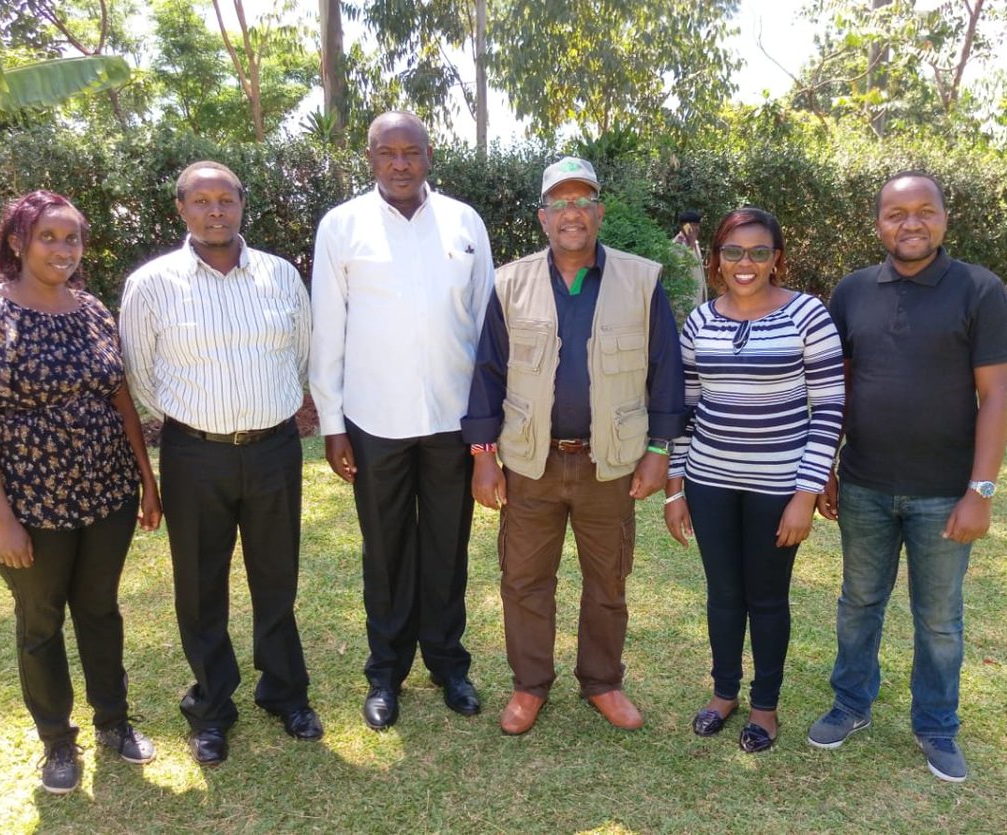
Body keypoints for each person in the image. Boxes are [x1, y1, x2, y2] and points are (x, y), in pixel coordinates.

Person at [0, 191, 161, 794]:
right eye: (49, 238)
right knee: (40, 620)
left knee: (100, 609)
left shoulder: (90, 310)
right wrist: (1, 519)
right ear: (18, 242)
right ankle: (58, 742)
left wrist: (145, 480)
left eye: (72, 239)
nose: (63, 250)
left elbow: (121, 401)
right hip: (29, 503)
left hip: (106, 493)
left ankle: (114, 722)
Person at [463, 157, 686, 735]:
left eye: (582, 200)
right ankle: (529, 685)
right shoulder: (510, 284)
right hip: (530, 462)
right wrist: (484, 457)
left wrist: (660, 449)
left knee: (607, 579)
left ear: (599, 213)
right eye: (559, 202)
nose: (571, 213)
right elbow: (487, 371)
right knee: (523, 580)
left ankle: (603, 682)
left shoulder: (641, 280)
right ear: (543, 217)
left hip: (608, 462)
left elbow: (665, 370)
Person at [807, 171, 1007, 783]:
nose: (911, 223)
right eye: (896, 214)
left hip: (944, 493)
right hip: (866, 483)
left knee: (939, 620)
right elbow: (837, 386)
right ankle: (850, 704)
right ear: (879, 224)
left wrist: (981, 491)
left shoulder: (979, 291)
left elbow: (997, 395)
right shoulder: (851, 292)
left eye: (924, 211)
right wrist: (828, 467)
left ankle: (936, 727)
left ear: (945, 218)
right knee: (858, 604)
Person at [120, 161, 319, 765]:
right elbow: (139, 374)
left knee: (276, 577)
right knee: (201, 586)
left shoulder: (280, 276)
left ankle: (285, 693)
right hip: (194, 454)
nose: (215, 211)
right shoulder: (152, 284)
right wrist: (196, 414)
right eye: (201, 200)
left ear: (241, 205)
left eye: (225, 199)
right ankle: (211, 707)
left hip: (274, 450)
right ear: (181, 209)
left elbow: (302, 356)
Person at [310, 112, 494, 730]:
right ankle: (385, 671)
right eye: (386, 152)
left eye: (409, 152)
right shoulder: (341, 226)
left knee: (447, 545)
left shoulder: (464, 222)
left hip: (451, 418)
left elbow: (484, 321)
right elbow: (327, 328)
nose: (398, 164)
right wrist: (333, 422)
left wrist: (485, 420)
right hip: (373, 418)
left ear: (428, 155)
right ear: (369, 157)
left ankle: (448, 664)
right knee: (385, 550)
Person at [663, 208, 845, 754]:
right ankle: (723, 694)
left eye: (759, 252)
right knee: (723, 595)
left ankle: (765, 706)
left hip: (778, 486)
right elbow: (685, 407)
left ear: (776, 259)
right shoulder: (700, 321)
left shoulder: (807, 315)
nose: (746, 263)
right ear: (717, 259)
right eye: (734, 252)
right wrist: (675, 486)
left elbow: (830, 407)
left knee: (766, 598)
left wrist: (805, 494)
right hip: (709, 479)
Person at [672, 209, 707, 305]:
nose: (697, 228)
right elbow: (682, 269)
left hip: (697, 297)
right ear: (684, 226)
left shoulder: (695, 243)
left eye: (698, 225)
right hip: (684, 300)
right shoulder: (676, 245)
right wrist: (691, 244)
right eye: (694, 225)